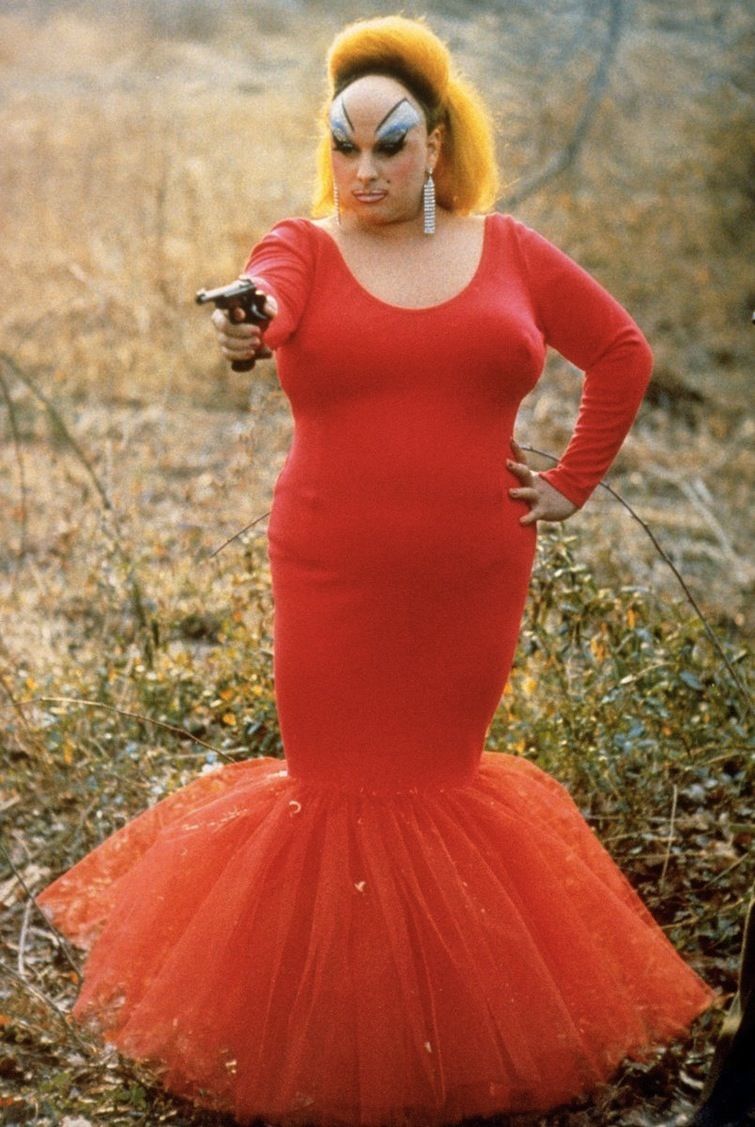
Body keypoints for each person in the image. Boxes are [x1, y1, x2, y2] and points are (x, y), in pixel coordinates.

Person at [38, 15, 714, 1126]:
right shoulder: (300, 248)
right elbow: (267, 296)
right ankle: (330, 1046)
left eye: (390, 145)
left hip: (471, 571)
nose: (364, 169)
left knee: (438, 783)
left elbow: (620, 351)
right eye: (343, 145)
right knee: (337, 790)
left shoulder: (510, 249)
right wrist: (250, 323)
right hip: (331, 567)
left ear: (435, 143)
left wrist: (571, 481)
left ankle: (439, 1041)